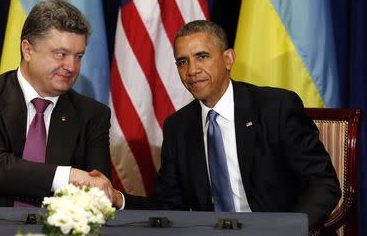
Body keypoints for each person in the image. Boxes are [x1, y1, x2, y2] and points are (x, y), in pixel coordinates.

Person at [102, 20, 341, 229]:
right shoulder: (178, 127)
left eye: (202, 57)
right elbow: (168, 206)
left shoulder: (275, 108)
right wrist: (119, 199)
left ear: (228, 59)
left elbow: (323, 184)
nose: (192, 70)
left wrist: (286, 230)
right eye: (182, 62)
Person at [0, 0, 113, 207]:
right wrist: (69, 176)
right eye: (61, 54)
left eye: (78, 56)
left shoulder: (93, 115)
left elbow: (98, 190)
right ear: (27, 50)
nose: (71, 66)